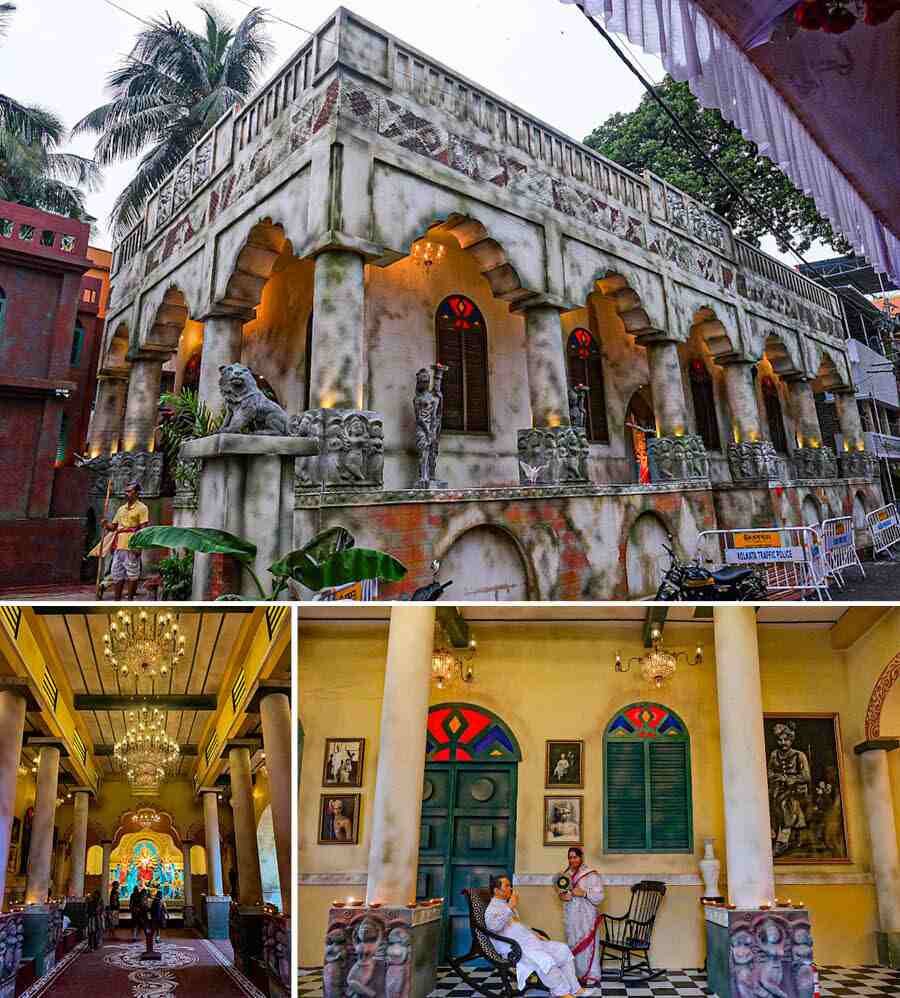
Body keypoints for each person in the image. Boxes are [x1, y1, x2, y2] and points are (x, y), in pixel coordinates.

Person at [485, 874, 584, 998]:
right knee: (544, 960)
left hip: (531, 943)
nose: (511, 888)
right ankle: (562, 993)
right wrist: (510, 906)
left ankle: (575, 988)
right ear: (496, 890)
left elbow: (518, 925)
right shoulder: (491, 909)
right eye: (507, 886)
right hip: (516, 949)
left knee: (562, 949)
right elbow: (494, 927)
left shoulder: (506, 904)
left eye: (510, 885)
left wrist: (534, 934)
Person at [557, 848, 604, 986]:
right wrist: (563, 896)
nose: (572, 860)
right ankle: (576, 974)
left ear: (581, 857)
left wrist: (583, 893)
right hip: (571, 916)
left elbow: (599, 896)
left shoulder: (591, 874)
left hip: (587, 916)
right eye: (570, 858)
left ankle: (591, 975)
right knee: (574, 942)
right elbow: (564, 893)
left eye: (575, 857)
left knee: (588, 944)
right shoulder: (565, 875)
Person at [767, 721, 812, 857]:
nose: (783, 743)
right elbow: (769, 773)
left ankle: (782, 841)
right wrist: (778, 777)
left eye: (786, 739)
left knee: (786, 803)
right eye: (780, 740)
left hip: (795, 790)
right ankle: (772, 835)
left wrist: (791, 779)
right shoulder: (774, 754)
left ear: (791, 739)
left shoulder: (799, 755)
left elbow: (806, 776)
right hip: (777, 789)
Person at [100, 481, 149, 600]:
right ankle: (117, 599)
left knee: (132, 572)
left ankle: (130, 599)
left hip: (132, 544)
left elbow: (144, 529)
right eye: (126, 491)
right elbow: (114, 527)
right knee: (116, 572)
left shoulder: (142, 508)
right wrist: (106, 524)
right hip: (119, 545)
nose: (126, 493)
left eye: (129, 491)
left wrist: (139, 546)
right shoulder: (121, 509)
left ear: (137, 493)